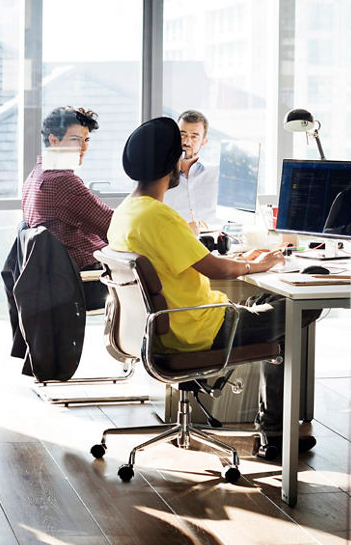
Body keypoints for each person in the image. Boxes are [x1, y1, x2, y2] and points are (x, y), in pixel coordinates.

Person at [107, 117, 319, 460]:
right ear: (172, 164)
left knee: (270, 301)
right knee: (303, 303)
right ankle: (276, 432)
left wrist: (247, 259)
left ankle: (277, 431)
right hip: (201, 330)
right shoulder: (159, 216)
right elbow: (215, 268)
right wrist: (257, 264)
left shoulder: (127, 212)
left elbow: (192, 257)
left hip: (170, 328)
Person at [21, 105, 112, 308]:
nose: (84, 148)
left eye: (86, 140)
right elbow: (112, 225)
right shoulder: (62, 181)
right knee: (156, 274)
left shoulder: (36, 175)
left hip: (56, 280)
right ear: (54, 140)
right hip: (83, 282)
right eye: (75, 140)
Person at [165, 109, 219, 230]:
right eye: (182, 134)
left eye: (194, 136)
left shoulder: (217, 175)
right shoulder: (160, 177)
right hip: (175, 241)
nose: (186, 142)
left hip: (213, 242)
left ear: (204, 142)